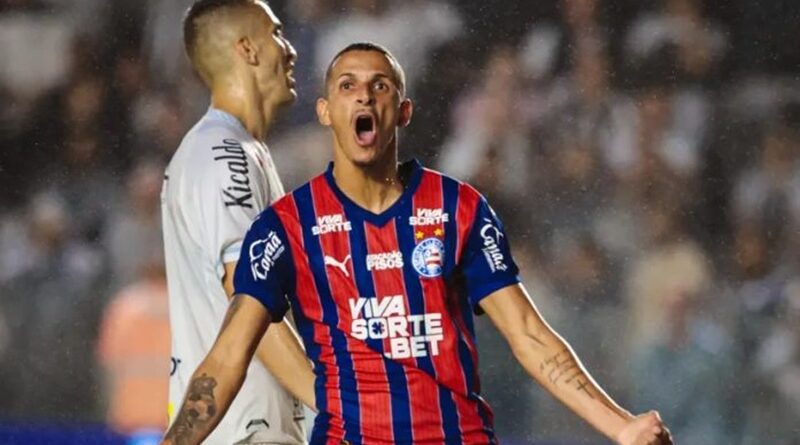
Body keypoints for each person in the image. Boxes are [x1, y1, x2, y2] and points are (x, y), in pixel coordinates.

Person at [161, 42, 674, 445]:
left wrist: (621, 427)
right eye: (347, 85)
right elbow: (226, 359)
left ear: (403, 111)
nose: (364, 96)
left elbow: (529, 336)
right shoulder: (287, 226)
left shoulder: (458, 208)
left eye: (379, 86)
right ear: (325, 111)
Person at [160, 1, 315, 444]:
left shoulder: (236, 150)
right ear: (247, 49)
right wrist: (336, 404)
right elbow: (250, 300)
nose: (290, 49)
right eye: (277, 33)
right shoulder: (224, 156)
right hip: (247, 431)